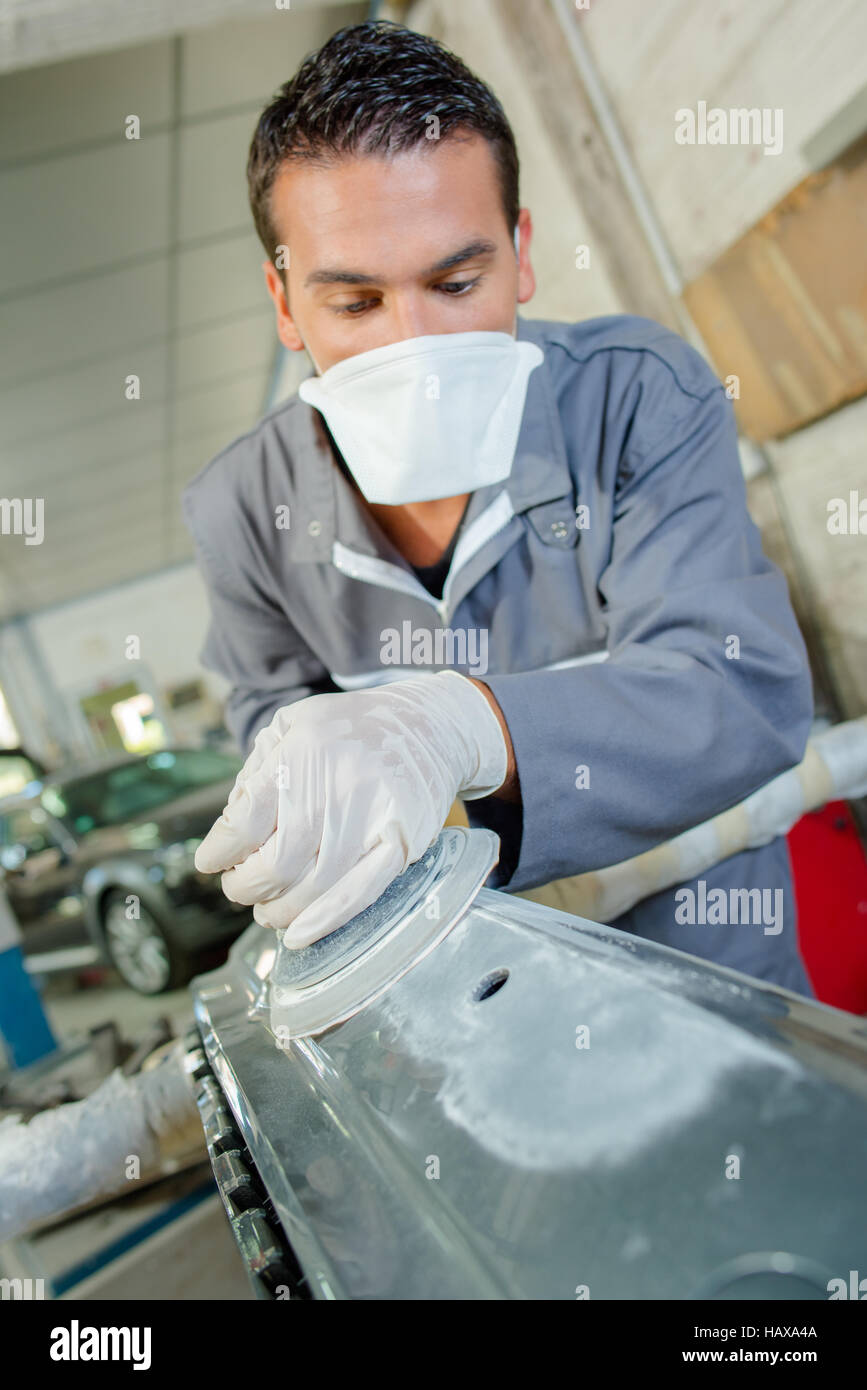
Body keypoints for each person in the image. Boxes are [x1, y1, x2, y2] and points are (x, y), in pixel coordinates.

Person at [182, 21, 814, 994]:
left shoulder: (639, 399)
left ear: (520, 254)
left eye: (455, 281)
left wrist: (463, 726)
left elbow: (737, 694)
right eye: (354, 304)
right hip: (449, 1007)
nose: (415, 346)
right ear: (282, 301)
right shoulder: (240, 510)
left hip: (705, 980)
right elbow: (282, 731)